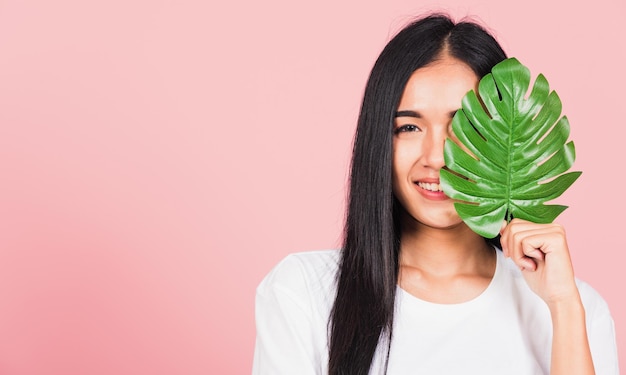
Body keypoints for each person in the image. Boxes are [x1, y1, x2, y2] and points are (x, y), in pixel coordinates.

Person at [252, 13, 619, 375]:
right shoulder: (302, 293)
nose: (436, 157)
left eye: (465, 126)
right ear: (379, 140)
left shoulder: (573, 307)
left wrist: (563, 307)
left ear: (503, 144)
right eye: (409, 127)